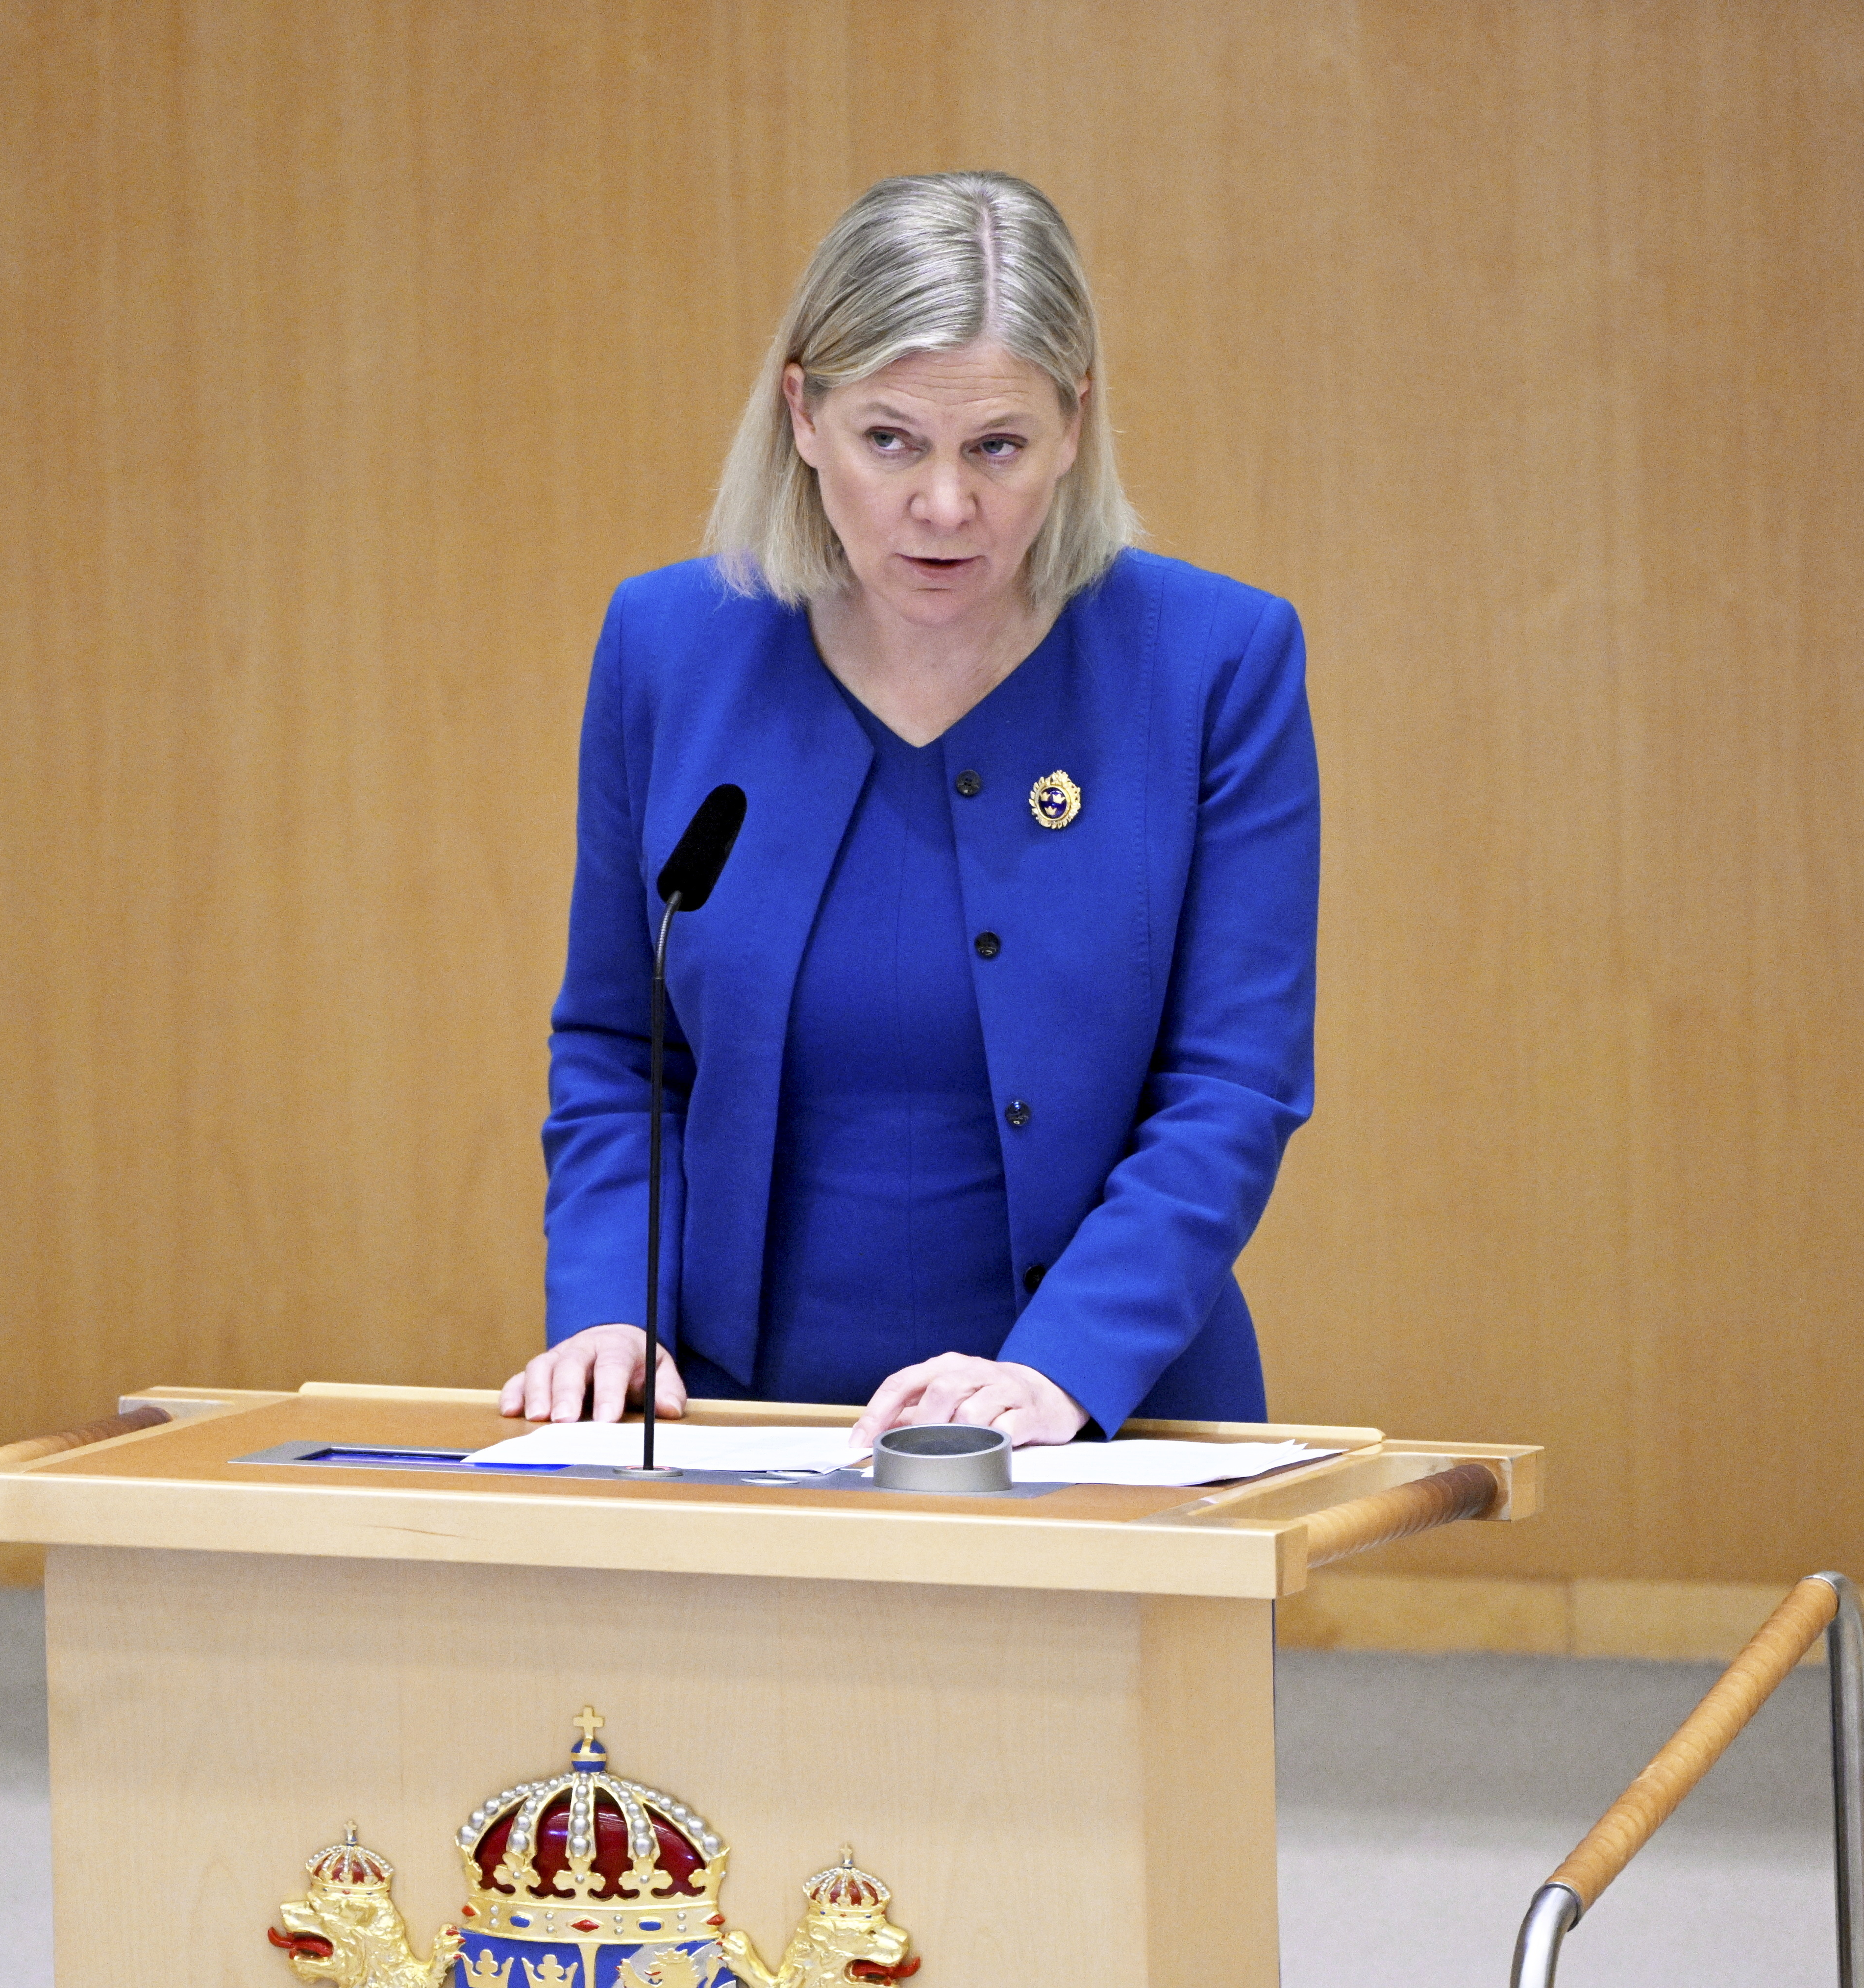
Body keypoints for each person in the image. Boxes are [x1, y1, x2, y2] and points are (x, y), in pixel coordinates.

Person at [501, 172, 1317, 1453]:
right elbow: (621, 1050)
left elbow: (1232, 1083)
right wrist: (610, 1306)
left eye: (998, 445)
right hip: (727, 1416)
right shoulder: (670, 646)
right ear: (804, 414)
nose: (945, 506)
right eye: (891, 440)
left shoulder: (1212, 662)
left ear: (1075, 425)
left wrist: (1059, 1368)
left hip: (1103, 1415)